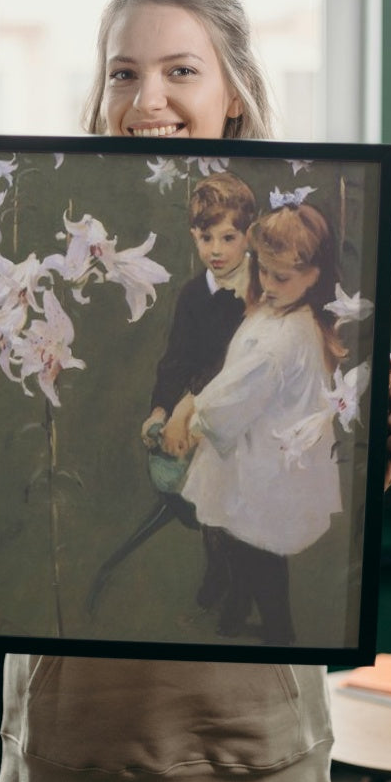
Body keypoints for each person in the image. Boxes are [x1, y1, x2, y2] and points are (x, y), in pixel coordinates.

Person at [0, 0, 391, 782]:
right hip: (78, 724)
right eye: (122, 71)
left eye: (180, 70)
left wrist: (379, 446)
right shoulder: (33, 249)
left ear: (233, 90)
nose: (145, 96)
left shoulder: (307, 260)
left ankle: (230, 596)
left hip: (244, 727)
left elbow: (331, 473)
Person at [179, 202, 347, 647]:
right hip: (256, 452)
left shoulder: (285, 336)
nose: (268, 285)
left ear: (313, 275)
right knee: (241, 540)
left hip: (262, 462)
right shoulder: (281, 312)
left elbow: (237, 394)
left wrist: (197, 419)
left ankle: (279, 630)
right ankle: (239, 604)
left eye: (281, 277)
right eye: (264, 272)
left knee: (260, 550)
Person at [141, 171, 258, 610]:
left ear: (249, 235)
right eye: (206, 237)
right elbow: (177, 360)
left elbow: (230, 367)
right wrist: (159, 410)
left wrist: (184, 411)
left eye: (228, 237)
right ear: (194, 235)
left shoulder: (260, 293)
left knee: (232, 493)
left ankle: (239, 589)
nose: (217, 250)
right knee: (207, 501)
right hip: (198, 414)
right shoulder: (193, 294)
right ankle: (219, 570)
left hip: (245, 411)